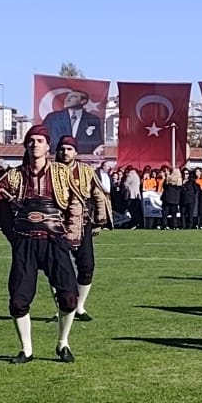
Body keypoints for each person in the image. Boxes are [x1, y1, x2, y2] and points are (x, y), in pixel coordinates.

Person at [0, 125, 88, 364]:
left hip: (54, 241)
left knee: (69, 297)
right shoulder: (14, 175)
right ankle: (26, 350)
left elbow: (77, 203)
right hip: (26, 242)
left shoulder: (63, 173)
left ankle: (63, 343)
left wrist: (72, 234)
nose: (35, 144)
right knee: (18, 300)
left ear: (48, 146)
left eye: (39, 140)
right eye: (31, 141)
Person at [55, 136, 114, 321]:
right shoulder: (49, 171)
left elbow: (99, 195)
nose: (65, 152)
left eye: (69, 149)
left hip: (82, 224)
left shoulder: (86, 171)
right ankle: (62, 308)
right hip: (55, 225)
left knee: (87, 266)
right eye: (62, 149)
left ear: (76, 152)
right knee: (57, 268)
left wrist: (100, 221)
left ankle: (80, 306)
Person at [44, 90, 105, 157]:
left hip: (83, 160)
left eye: (73, 96)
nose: (67, 99)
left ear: (83, 101)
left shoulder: (93, 119)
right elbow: (43, 137)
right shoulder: (52, 118)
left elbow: (97, 141)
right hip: (57, 158)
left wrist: (98, 148)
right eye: (67, 96)